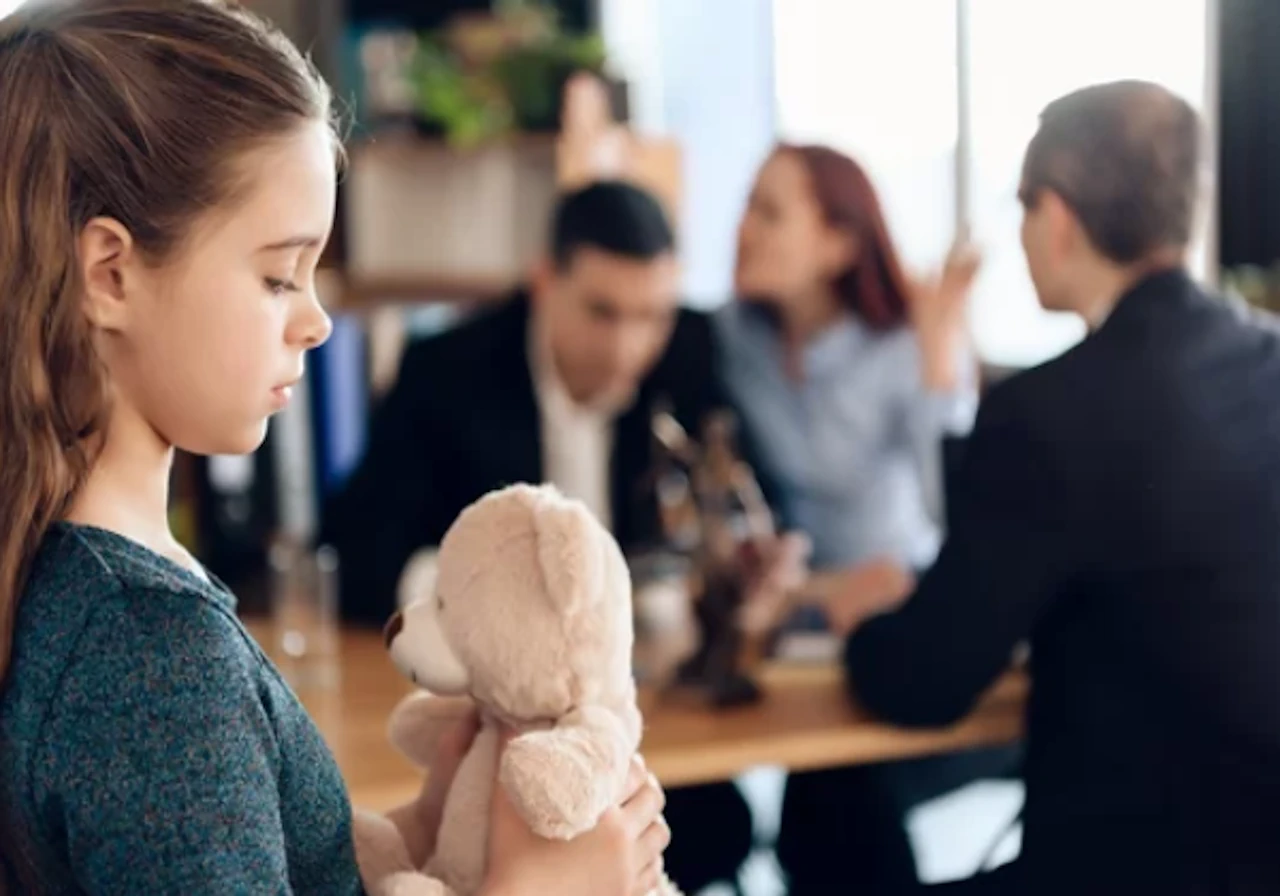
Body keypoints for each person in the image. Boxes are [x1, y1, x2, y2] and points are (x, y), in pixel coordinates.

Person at [0, 3, 667, 894]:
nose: (315, 321)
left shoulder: (88, 585)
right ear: (110, 274)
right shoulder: (153, 657)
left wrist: (436, 836)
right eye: (278, 275)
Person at [846, 80, 1280, 895]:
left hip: (1133, 867)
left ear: (1056, 217)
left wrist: (857, 624)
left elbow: (925, 683)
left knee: (838, 826)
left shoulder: (1044, 415)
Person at [663, 144, 1019, 895]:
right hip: (782, 620)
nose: (744, 230)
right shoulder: (734, 338)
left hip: (885, 614)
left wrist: (937, 361)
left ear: (840, 242)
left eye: (771, 211)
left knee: (833, 819)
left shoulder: (902, 347)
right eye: (745, 206)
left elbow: (950, 511)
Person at [324, 180, 783, 626]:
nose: (626, 348)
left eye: (652, 316)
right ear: (544, 281)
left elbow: (759, 502)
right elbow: (359, 556)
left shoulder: (690, 350)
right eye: (602, 312)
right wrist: (481, 592)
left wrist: (752, 566)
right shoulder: (445, 371)